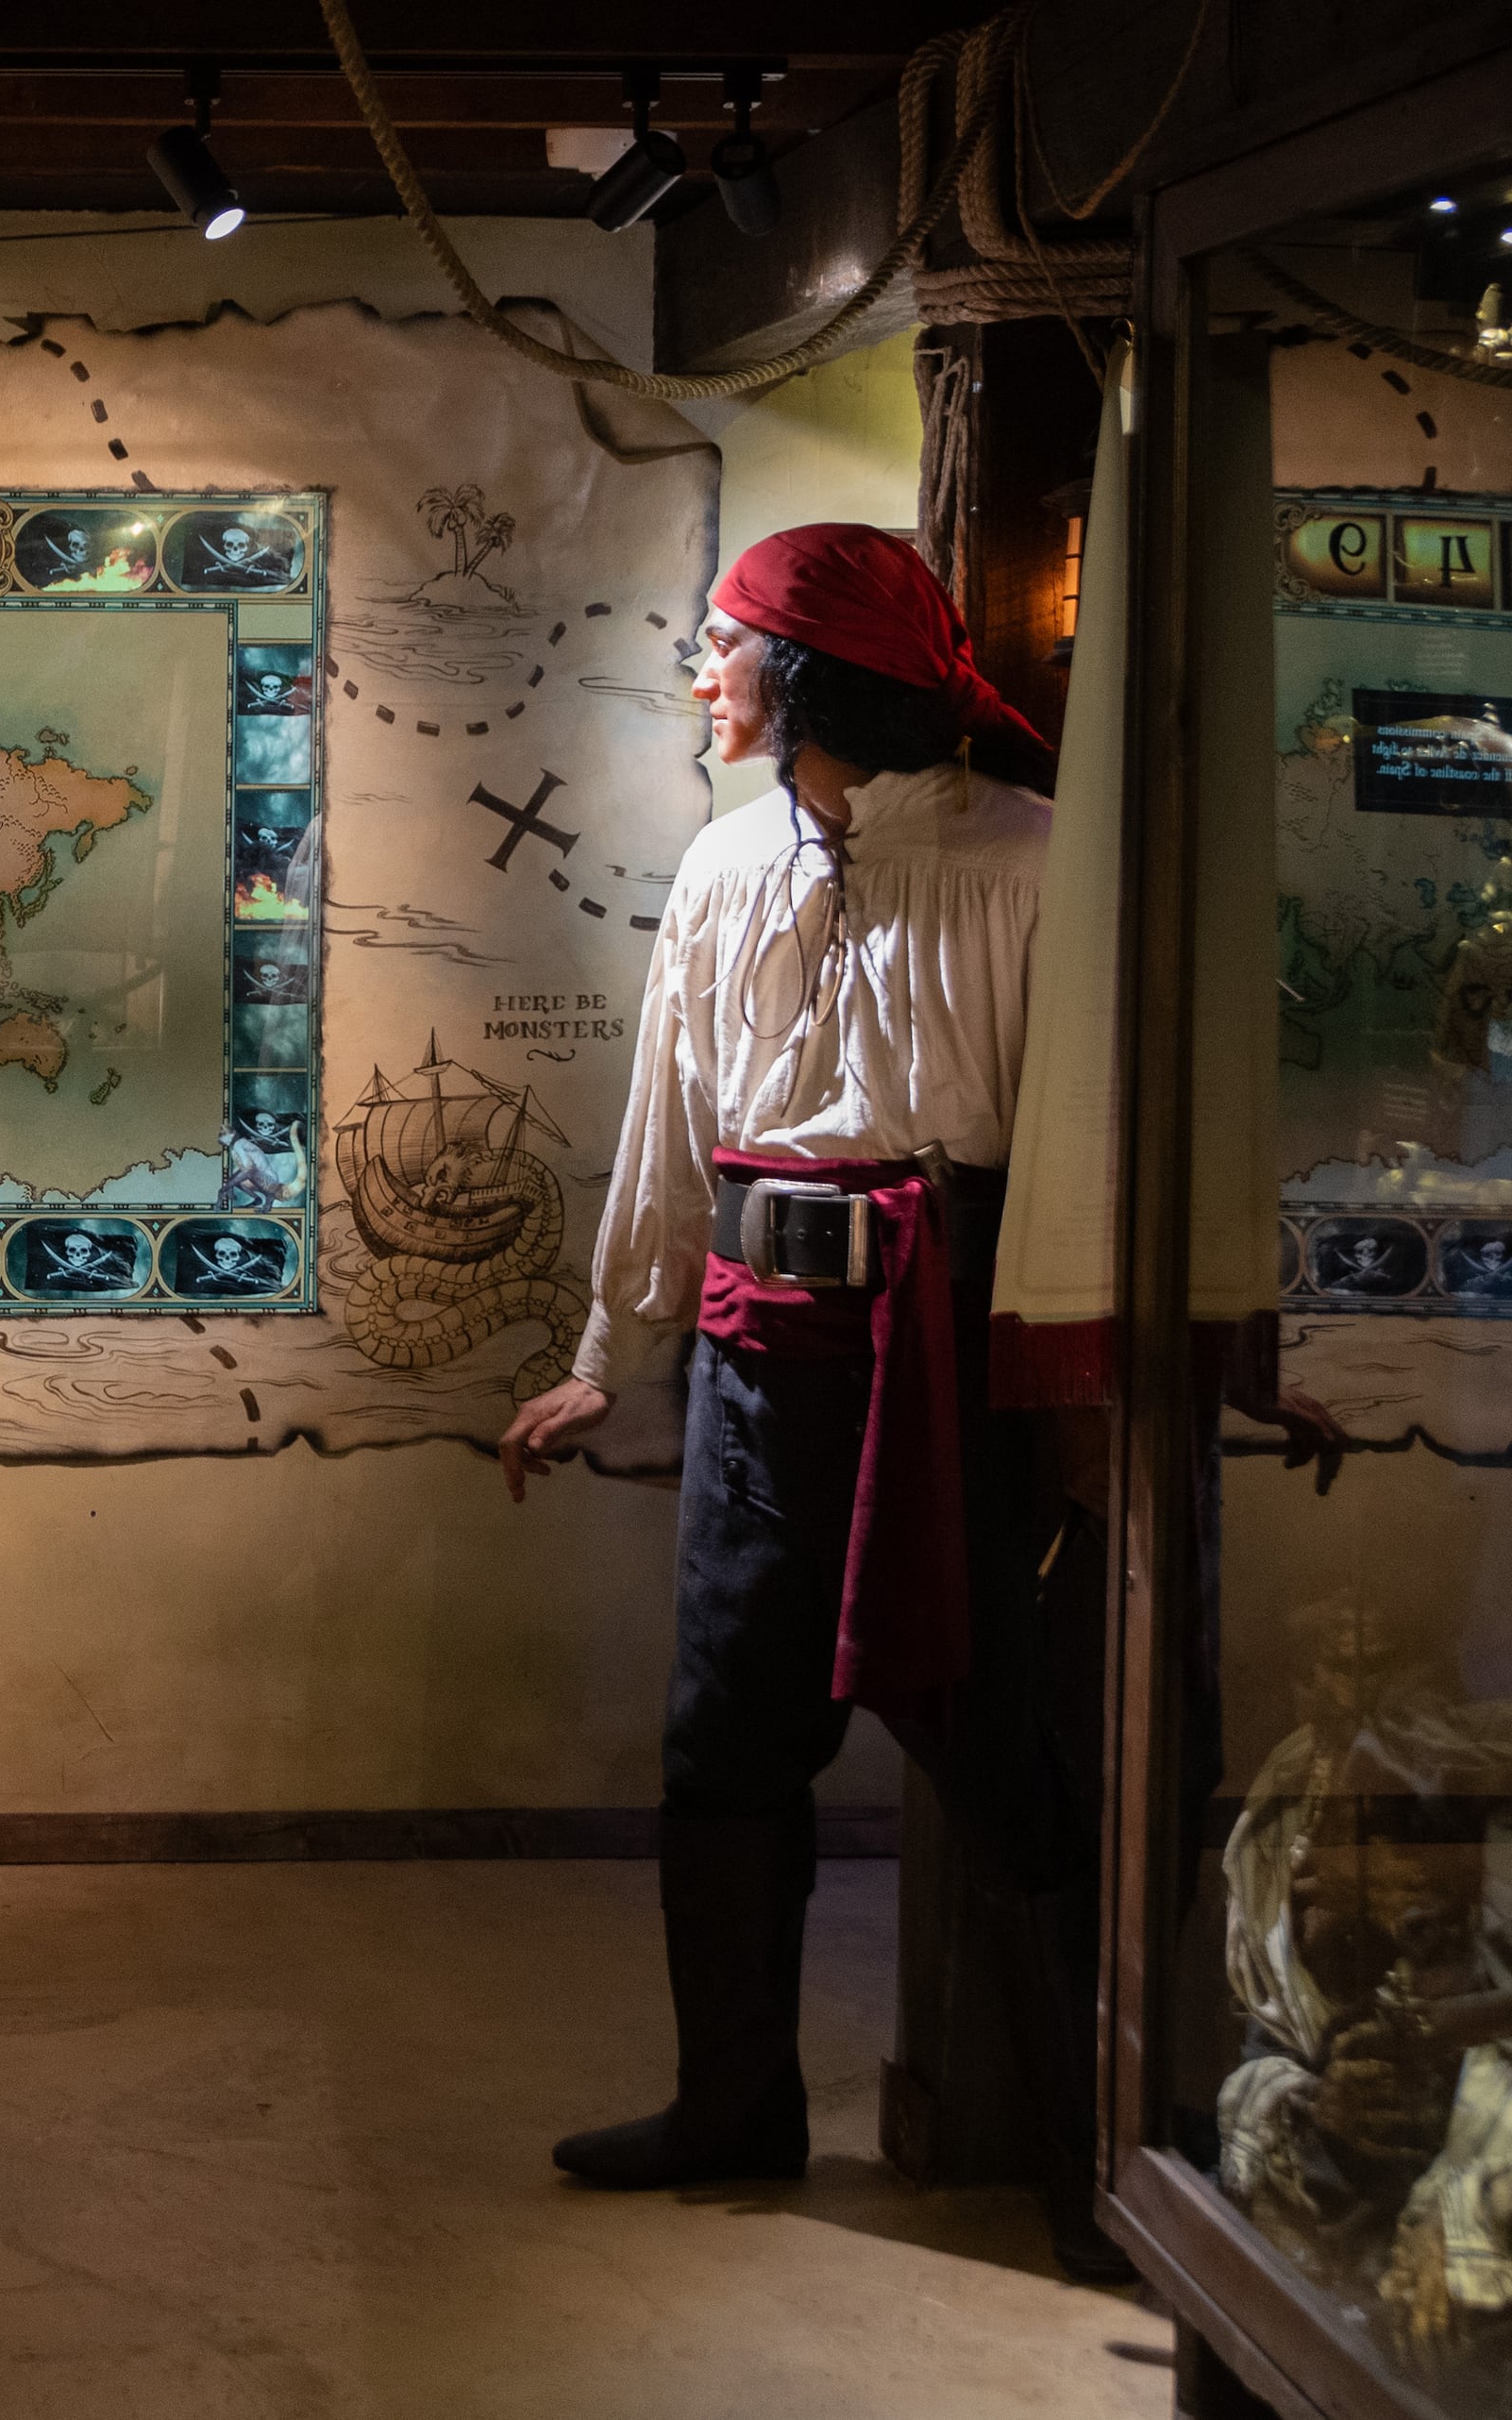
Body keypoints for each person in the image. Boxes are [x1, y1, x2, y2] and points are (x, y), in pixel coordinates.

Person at [496, 524, 1052, 2193]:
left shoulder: (1031, 860)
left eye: (725, 643)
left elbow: (1110, 1143)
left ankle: (1092, 2155)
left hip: (962, 1353)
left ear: (802, 673)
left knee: (1015, 1743)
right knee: (726, 1736)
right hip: (760, 1355)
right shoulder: (731, 866)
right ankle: (733, 2104)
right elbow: (676, 1123)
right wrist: (616, 1342)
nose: (702, 673)